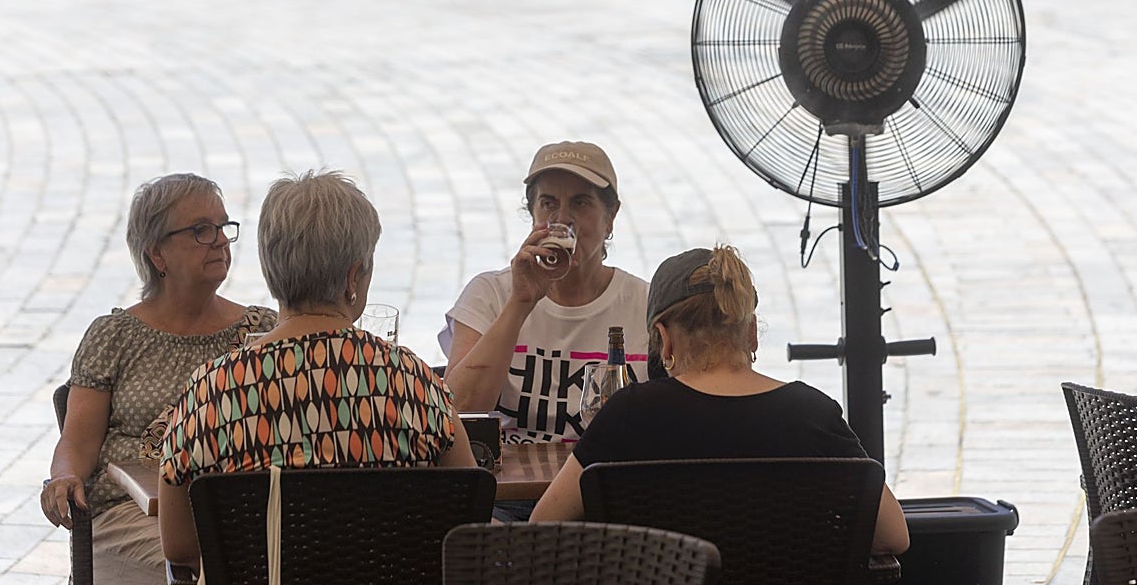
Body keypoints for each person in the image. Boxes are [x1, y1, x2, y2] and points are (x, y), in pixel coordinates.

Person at [159, 170, 475, 572]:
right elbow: (467, 523)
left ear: (271, 270)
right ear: (352, 278)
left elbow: (180, 547)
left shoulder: (214, 389)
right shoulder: (413, 382)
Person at [531, 244, 910, 555]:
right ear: (751, 335)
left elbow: (541, 530)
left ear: (664, 340)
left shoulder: (628, 414)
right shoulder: (813, 413)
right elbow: (894, 535)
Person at [40, 173, 276, 584]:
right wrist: (63, 477)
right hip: (129, 514)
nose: (220, 240)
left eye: (223, 227)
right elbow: (77, 440)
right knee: (213, 567)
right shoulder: (114, 336)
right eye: (201, 230)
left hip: (230, 513)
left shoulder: (260, 331)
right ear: (157, 254)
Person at [440, 140, 649, 444]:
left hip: (601, 486)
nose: (562, 219)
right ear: (534, 214)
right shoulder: (490, 294)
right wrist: (521, 302)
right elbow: (456, 414)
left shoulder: (644, 304)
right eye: (549, 203)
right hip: (508, 487)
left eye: (581, 202)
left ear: (610, 217)